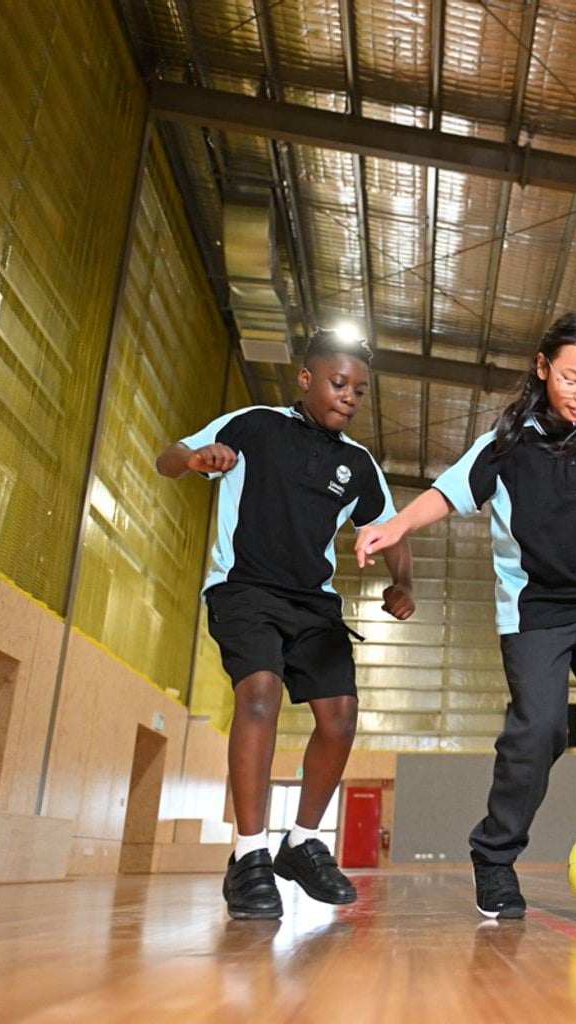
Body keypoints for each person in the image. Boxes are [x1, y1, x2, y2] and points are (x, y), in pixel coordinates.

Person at [355, 313, 576, 921]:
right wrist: (395, 525)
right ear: (543, 368)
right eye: (572, 378)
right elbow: (449, 491)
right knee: (539, 731)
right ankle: (494, 859)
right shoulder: (508, 442)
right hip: (533, 614)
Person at [157, 329, 415, 920]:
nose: (349, 396)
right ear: (306, 379)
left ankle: (300, 842)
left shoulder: (358, 464)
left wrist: (404, 582)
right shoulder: (256, 424)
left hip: (313, 603)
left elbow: (390, 531)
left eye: (359, 390)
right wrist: (197, 458)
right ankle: (249, 856)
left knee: (340, 716)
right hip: (244, 590)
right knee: (259, 696)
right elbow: (168, 457)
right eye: (338, 383)